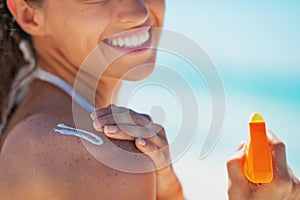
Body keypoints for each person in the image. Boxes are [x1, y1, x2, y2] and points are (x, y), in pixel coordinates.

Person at [0, 1, 298, 200]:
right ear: (29, 15)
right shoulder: (90, 155)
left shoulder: (30, 116)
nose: (138, 11)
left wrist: (167, 189)